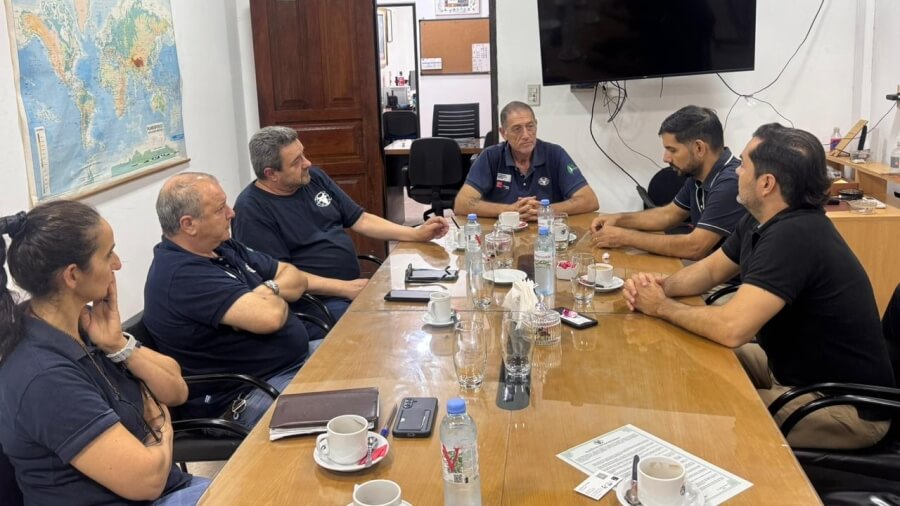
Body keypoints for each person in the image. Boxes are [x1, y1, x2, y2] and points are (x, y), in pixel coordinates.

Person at [622, 124, 894, 450]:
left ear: (766, 183)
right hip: (793, 374)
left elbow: (732, 328)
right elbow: (709, 271)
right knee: (691, 355)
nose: (736, 170)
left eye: (745, 164)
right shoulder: (760, 218)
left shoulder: (795, 235)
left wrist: (661, 306)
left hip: (843, 406)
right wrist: (660, 286)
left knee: (715, 417)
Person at [0, 201, 209, 505]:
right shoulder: (42, 375)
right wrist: (161, 427)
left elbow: (176, 389)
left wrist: (118, 345)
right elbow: (147, 481)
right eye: (108, 253)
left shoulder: (84, 324)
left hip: (171, 487)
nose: (118, 264)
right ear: (72, 276)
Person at [144, 172, 315, 429]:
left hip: (289, 366)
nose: (231, 213)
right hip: (246, 393)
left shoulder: (223, 247)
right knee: (346, 399)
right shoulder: (182, 274)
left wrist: (267, 289)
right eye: (219, 208)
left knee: (360, 358)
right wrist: (274, 294)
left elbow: (296, 278)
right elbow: (270, 318)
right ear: (189, 224)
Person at [232, 126, 449, 323]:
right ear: (271, 174)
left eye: (303, 154)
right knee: (383, 327)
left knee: (422, 306)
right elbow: (283, 278)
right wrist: (345, 289)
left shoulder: (313, 178)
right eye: (296, 161)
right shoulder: (252, 210)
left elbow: (360, 219)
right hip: (315, 303)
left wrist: (415, 233)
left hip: (349, 288)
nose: (307, 163)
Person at [590, 106, 745, 260]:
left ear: (699, 148)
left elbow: (695, 247)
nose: (666, 158)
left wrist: (624, 237)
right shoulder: (698, 174)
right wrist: (618, 219)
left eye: (672, 150)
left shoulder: (730, 182)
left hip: (732, 282)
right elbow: (669, 214)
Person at [453, 101, 599, 221]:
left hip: (547, 233)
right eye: (517, 129)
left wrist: (545, 211)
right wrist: (509, 210)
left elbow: (589, 200)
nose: (526, 135)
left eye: (530, 126)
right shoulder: (491, 156)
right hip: (504, 235)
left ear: (536, 124)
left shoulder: (555, 154)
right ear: (503, 133)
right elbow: (461, 204)